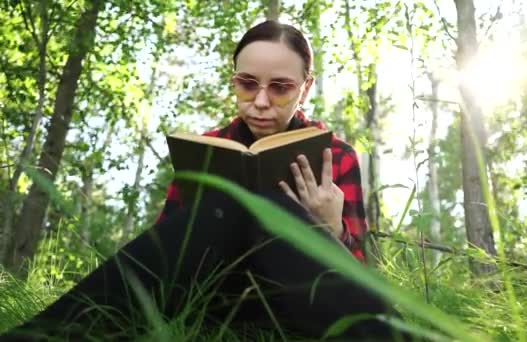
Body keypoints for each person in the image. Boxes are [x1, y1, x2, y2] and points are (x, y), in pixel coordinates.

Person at [2, 20, 409, 341]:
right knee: (228, 206)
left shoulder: (335, 155)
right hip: (211, 298)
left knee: (266, 208)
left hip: (296, 302)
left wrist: (332, 230)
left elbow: (357, 280)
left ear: (305, 88)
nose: (261, 101)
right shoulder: (210, 148)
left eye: (281, 88)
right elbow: (171, 251)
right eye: (247, 84)